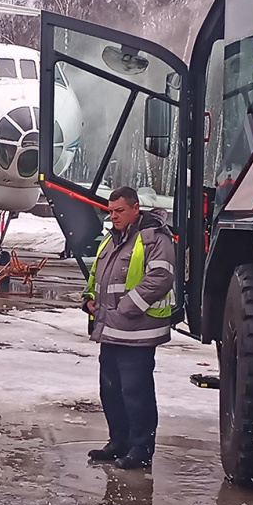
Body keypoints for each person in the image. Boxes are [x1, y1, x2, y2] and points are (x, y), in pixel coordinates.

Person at [84, 186, 175, 470]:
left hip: (137, 331)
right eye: (110, 211)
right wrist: (88, 298)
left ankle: (140, 447)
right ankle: (119, 442)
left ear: (136, 208)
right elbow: (97, 275)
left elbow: (161, 277)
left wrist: (127, 306)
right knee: (110, 390)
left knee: (136, 393)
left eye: (119, 211)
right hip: (110, 330)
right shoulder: (111, 239)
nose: (113, 217)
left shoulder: (154, 238)